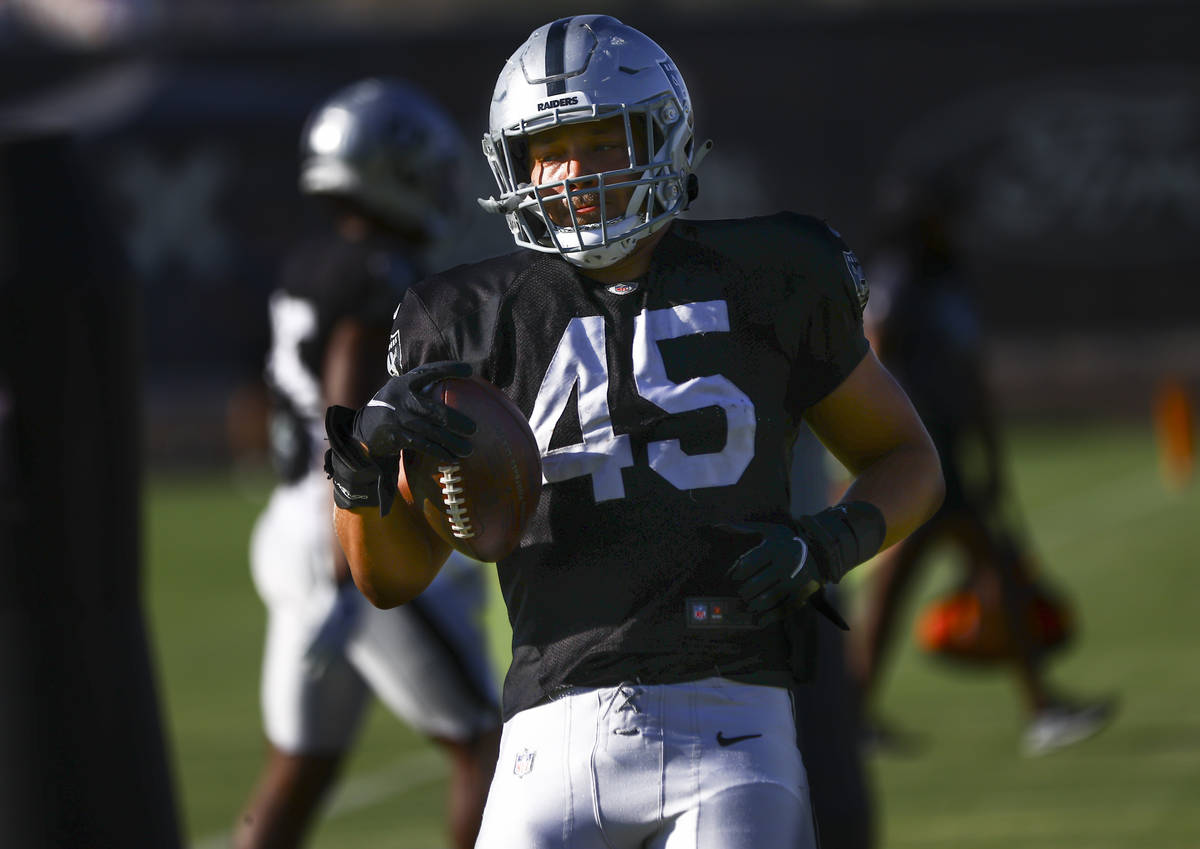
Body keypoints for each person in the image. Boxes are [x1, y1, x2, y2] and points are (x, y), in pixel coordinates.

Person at [325, 16, 943, 849]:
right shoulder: (464, 321)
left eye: (596, 140)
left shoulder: (769, 273)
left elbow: (909, 460)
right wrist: (364, 477)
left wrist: (827, 543)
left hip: (731, 722)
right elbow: (391, 578)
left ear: (662, 137)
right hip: (548, 733)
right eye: (547, 149)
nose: (570, 172)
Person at [233, 78, 501, 849]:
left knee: (302, 765)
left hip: (293, 522)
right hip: (348, 523)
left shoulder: (314, 262)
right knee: (489, 743)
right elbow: (350, 402)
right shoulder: (379, 274)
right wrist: (353, 553)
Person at [848, 175, 1116, 757]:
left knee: (938, 578)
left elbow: (970, 377)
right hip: (922, 457)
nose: (952, 224)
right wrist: (875, 446)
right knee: (978, 573)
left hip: (949, 456)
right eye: (942, 213)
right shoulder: (902, 274)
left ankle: (855, 717)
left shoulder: (948, 279)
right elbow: (874, 350)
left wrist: (990, 455)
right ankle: (1040, 708)